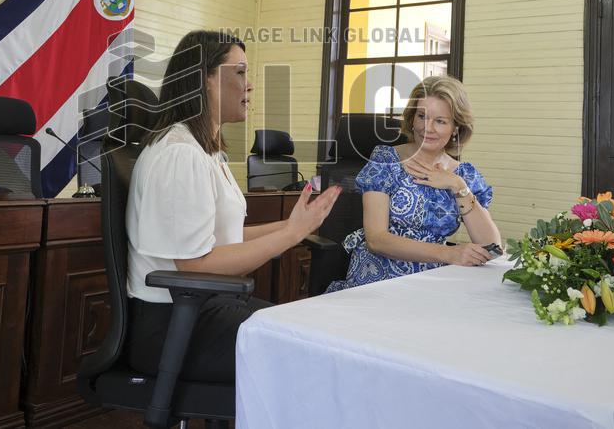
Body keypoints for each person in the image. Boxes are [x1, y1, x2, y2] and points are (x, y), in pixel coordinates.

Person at [125, 30, 341, 382]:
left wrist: (294, 224)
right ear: (204, 80)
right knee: (312, 355)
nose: (249, 84)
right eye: (239, 72)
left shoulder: (205, 150)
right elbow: (195, 265)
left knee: (317, 334)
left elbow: (222, 237)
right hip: (174, 326)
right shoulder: (180, 154)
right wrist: (290, 235)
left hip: (204, 310)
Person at [327, 75, 501, 292]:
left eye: (440, 121)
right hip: (379, 277)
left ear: (456, 127)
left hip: (433, 279)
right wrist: (449, 253)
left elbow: (491, 245)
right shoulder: (386, 161)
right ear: (412, 118)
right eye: (422, 116)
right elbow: (376, 240)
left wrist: (457, 186)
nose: (427, 127)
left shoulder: (463, 174)